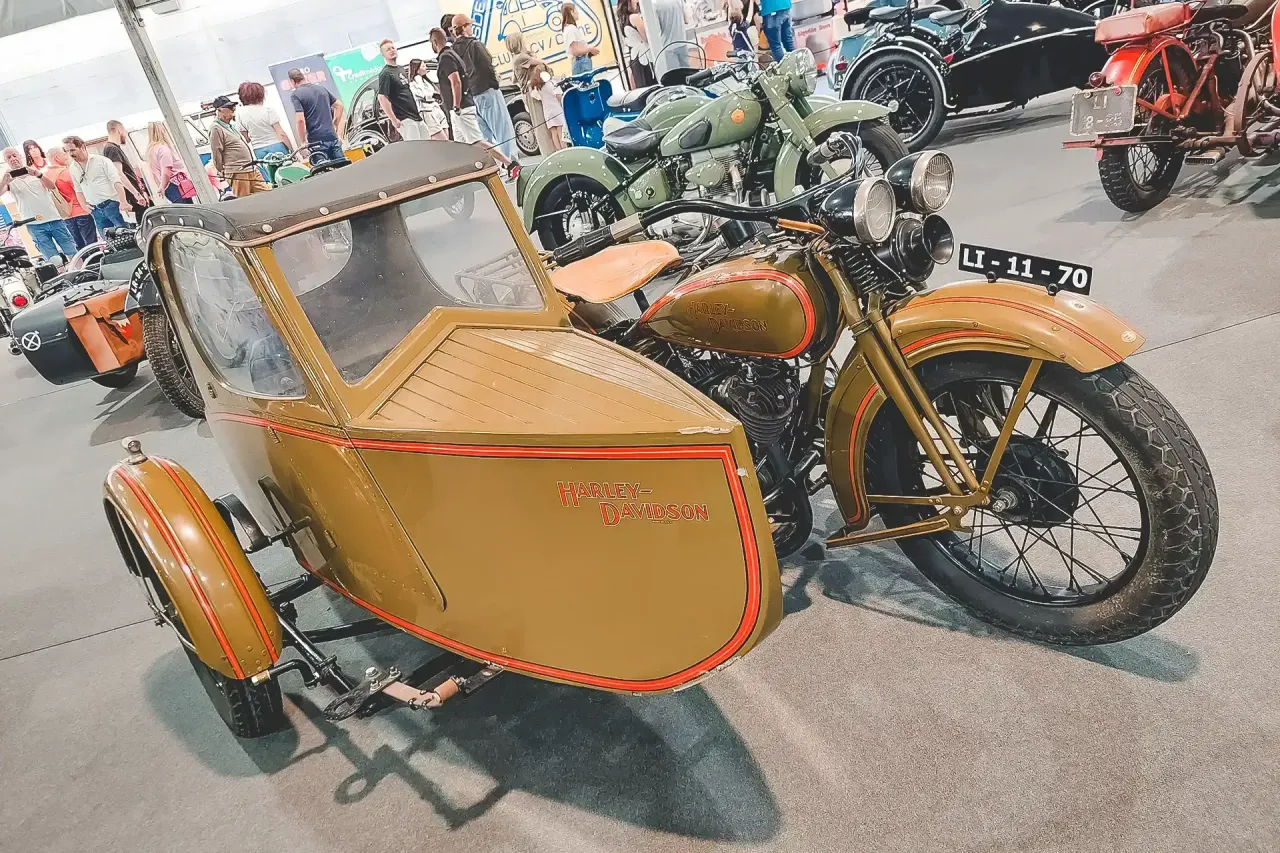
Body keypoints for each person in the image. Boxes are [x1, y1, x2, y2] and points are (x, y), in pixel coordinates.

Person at [430, 27, 522, 175]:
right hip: (461, 106)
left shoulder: (446, 58)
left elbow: (456, 81)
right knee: (463, 144)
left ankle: (509, 163)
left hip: (460, 108)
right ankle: (477, 172)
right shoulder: (452, 54)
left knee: (477, 141)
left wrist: (456, 105)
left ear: (434, 42)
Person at [452, 14, 521, 168]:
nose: (471, 27)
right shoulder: (475, 45)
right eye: (469, 25)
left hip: (472, 96)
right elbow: (487, 66)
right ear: (464, 27)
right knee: (503, 130)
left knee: (485, 136)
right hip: (487, 90)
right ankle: (511, 164)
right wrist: (495, 84)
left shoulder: (453, 50)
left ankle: (494, 167)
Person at [0, 146, 76, 259]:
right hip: (34, 224)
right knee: (53, 259)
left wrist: (38, 175)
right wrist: (3, 182)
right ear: (6, 161)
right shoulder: (8, 180)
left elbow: (51, 186)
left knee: (72, 252)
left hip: (54, 218)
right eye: (9, 157)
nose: (13, 159)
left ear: (20, 156)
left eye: (15, 155)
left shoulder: (35, 172)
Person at [507, 30, 563, 154]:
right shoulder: (521, 58)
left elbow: (514, 79)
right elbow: (542, 63)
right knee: (541, 124)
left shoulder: (517, 59)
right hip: (531, 93)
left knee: (544, 122)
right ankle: (549, 152)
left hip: (530, 92)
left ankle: (552, 151)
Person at [63, 136, 130, 231]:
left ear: (82, 147)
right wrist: (84, 206)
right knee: (106, 238)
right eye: (67, 151)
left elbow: (116, 181)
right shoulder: (73, 168)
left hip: (112, 204)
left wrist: (123, 201)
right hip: (94, 209)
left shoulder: (101, 161)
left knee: (125, 234)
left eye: (73, 150)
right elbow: (78, 189)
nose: (70, 154)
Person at [209, 96, 269, 197]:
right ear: (219, 110)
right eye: (229, 107)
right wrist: (220, 170)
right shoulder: (216, 128)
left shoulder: (230, 126)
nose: (233, 109)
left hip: (251, 168)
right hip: (237, 172)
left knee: (266, 194)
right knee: (244, 200)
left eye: (233, 107)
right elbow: (216, 152)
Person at [235, 82, 293, 181]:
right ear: (260, 94)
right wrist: (292, 150)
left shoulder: (240, 115)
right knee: (287, 175)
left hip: (259, 149)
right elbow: (281, 134)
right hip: (277, 145)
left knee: (271, 178)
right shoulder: (268, 110)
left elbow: (246, 139)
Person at [288, 68, 346, 166]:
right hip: (332, 137)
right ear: (303, 77)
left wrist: (303, 141)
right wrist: (335, 123)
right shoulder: (321, 89)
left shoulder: (296, 95)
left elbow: (300, 120)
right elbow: (339, 106)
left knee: (324, 170)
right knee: (343, 167)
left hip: (316, 142)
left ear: (292, 82)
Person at [45, 146, 98, 249]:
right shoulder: (66, 173)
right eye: (64, 154)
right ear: (56, 157)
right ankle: (95, 259)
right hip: (81, 211)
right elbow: (80, 190)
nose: (67, 156)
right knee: (91, 245)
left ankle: (84, 259)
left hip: (65, 216)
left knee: (78, 246)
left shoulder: (46, 176)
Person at [103, 120, 151, 218]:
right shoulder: (112, 149)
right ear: (119, 130)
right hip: (131, 196)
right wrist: (136, 194)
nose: (125, 134)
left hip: (132, 194)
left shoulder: (112, 148)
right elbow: (118, 174)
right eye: (124, 131)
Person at [144, 122, 197, 205]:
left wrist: (161, 186)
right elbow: (166, 170)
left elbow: (155, 173)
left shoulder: (151, 151)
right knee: (187, 208)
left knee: (181, 208)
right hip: (174, 184)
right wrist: (162, 186)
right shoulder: (163, 149)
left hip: (167, 186)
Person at [407, 59, 451, 141]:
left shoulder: (426, 81)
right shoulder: (413, 84)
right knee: (441, 140)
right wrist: (418, 78)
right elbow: (422, 95)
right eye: (423, 66)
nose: (426, 68)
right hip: (427, 112)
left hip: (436, 110)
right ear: (417, 69)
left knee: (446, 138)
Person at [618, 0, 656, 87]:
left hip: (635, 58)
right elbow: (647, 37)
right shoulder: (635, 17)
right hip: (644, 57)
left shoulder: (623, 20)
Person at [652, 0, 692, 79]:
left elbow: (657, 29)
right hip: (682, 42)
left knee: (675, 78)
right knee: (688, 76)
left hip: (668, 46)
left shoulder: (655, 4)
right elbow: (686, 20)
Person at [560, 3, 599, 76]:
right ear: (572, 12)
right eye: (576, 10)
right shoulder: (570, 29)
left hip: (581, 62)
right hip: (581, 63)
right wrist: (590, 49)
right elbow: (575, 51)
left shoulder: (569, 28)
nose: (578, 13)